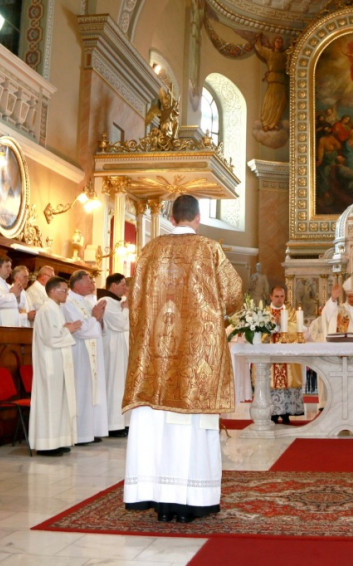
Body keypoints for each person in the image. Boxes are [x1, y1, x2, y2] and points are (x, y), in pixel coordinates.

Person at [123, 194, 242, 523]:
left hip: (156, 361)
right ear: (197, 218)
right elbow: (233, 294)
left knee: (157, 429)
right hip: (195, 360)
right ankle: (191, 501)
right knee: (190, 432)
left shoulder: (149, 251)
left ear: (172, 218)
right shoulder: (209, 249)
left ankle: (159, 500)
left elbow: (135, 303)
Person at [30, 276, 82, 456]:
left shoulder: (55, 308)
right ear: (52, 291)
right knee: (50, 403)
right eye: (64, 290)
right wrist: (69, 329)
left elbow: (56, 332)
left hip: (58, 363)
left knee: (60, 402)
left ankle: (58, 440)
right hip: (50, 364)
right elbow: (51, 338)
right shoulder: (47, 309)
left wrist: (66, 328)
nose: (67, 294)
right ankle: (46, 445)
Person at [62, 270, 108, 445]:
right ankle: (80, 434)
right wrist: (95, 317)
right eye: (88, 281)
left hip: (92, 353)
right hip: (79, 352)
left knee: (92, 391)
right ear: (77, 284)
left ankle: (91, 430)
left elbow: (97, 328)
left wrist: (99, 319)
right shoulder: (68, 302)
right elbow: (80, 330)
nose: (92, 284)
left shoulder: (88, 301)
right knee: (81, 390)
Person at [264, 285, 305, 424]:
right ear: (271, 296)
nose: (279, 299)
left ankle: (287, 412)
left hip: (287, 354)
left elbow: (296, 328)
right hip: (270, 354)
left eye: (282, 296)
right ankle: (273, 413)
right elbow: (261, 332)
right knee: (270, 381)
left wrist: (283, 324)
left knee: (288, 380)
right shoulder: (264, 312)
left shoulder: (291, 311)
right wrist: (273, 326)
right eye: (276, 296)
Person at [102, 273, 130, 437]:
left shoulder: (119, 302)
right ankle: (113, 425)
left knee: (122, 385)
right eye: (123, 284)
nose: (125, 288)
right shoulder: (105, 301)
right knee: (114, 385)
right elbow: (120, 324)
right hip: (113, 349)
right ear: (113, 285)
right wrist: (126, 309)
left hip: (121, 349)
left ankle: (123, 422)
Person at [254, 34, 287, 131]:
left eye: (281, 42)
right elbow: (259, 49)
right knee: (270, 102)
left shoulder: (284, 55)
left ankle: (275, 122)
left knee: (281, 102)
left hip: (281, 80)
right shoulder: (269, 53)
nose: (279, 43)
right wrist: (258, 39)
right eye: (277, 41)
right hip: (273, 80)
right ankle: (266, 122)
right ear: (274, 43)